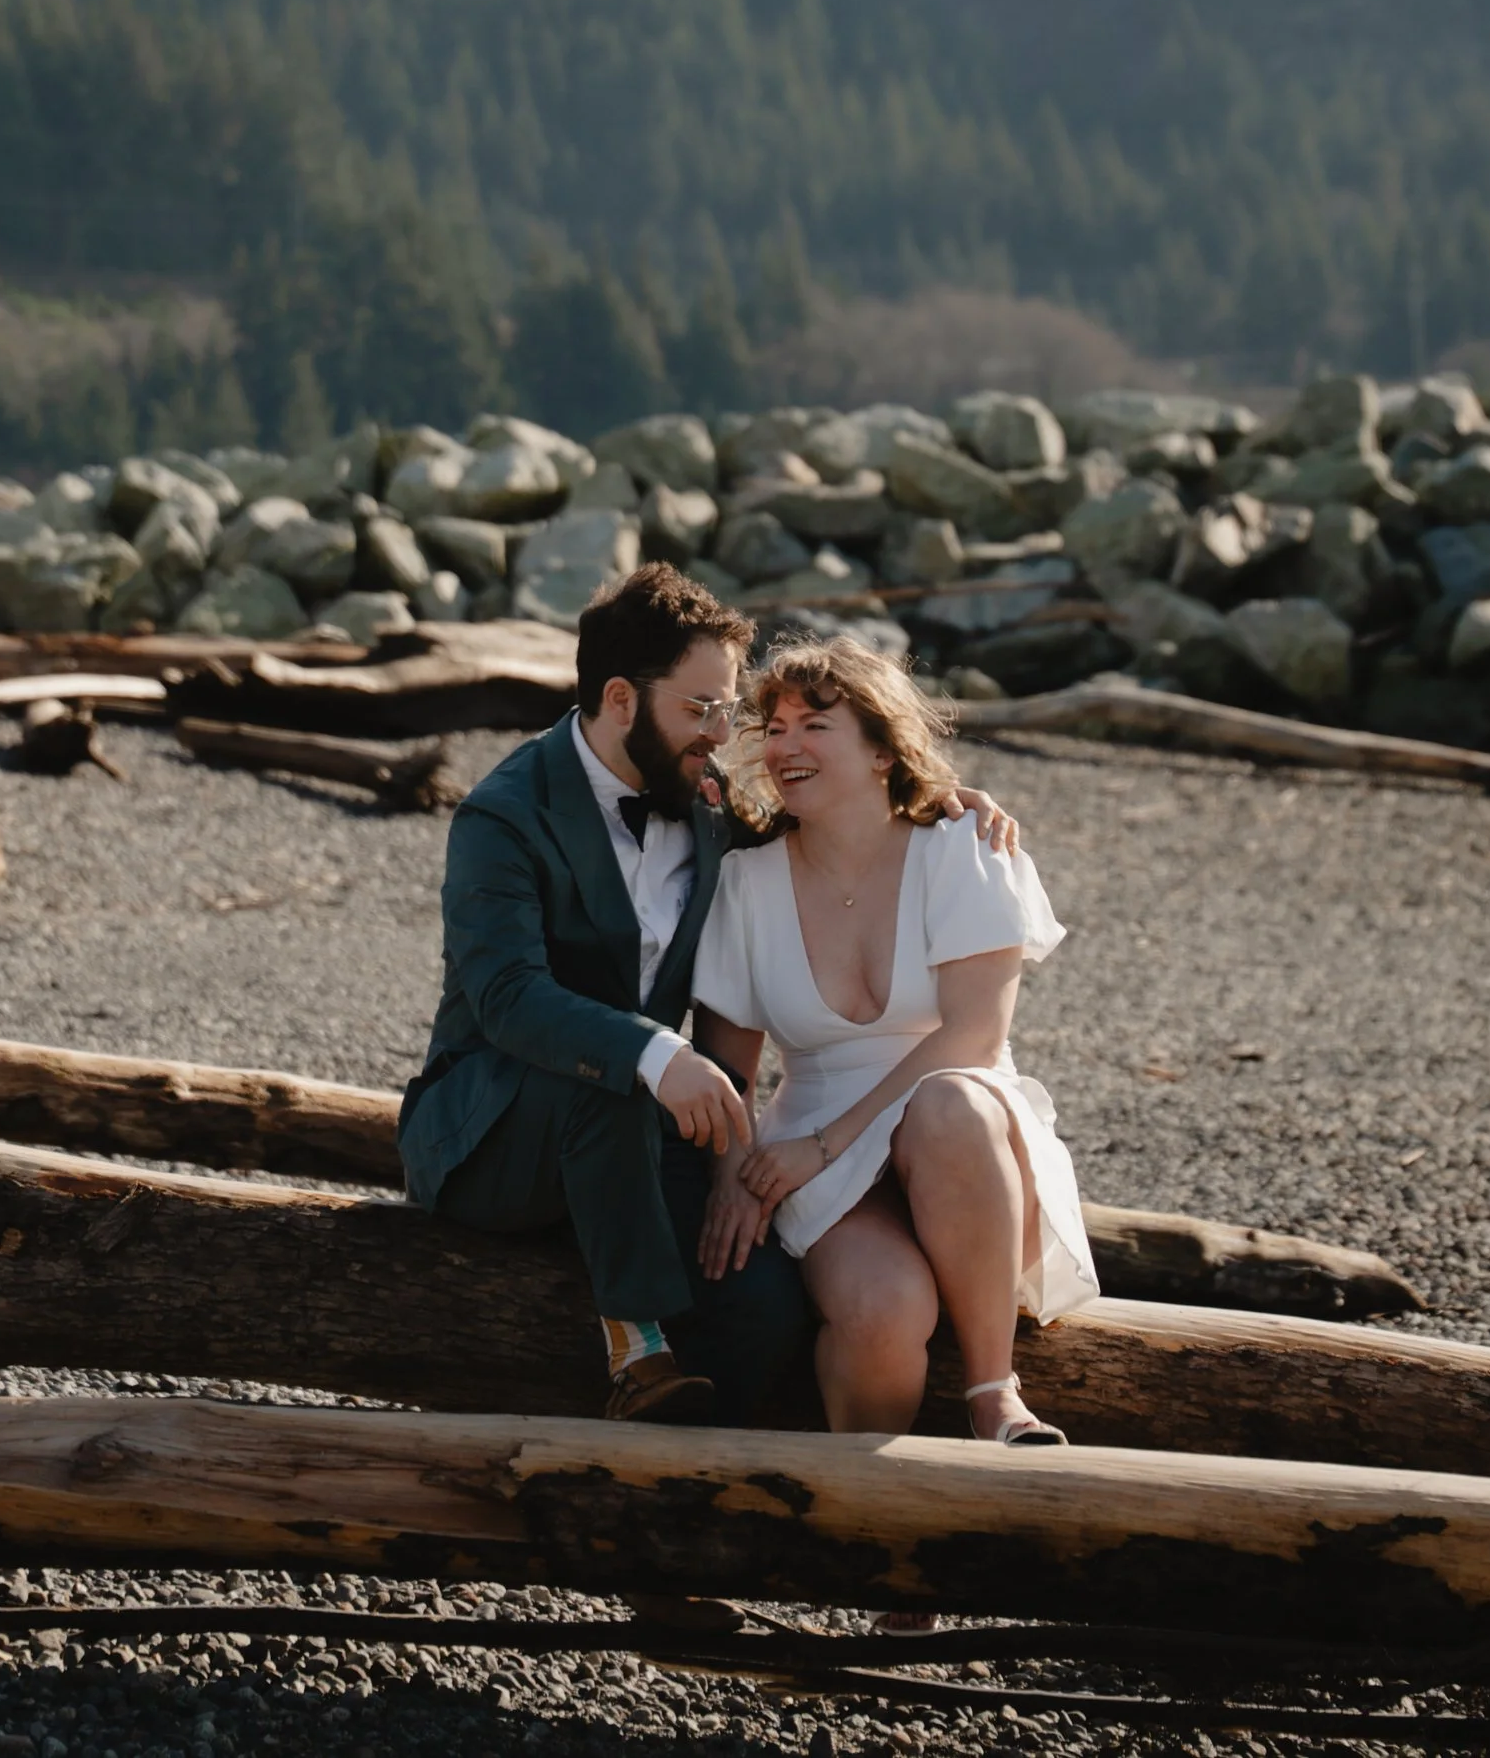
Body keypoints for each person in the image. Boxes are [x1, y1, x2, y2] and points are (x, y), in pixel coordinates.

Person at [400, 563, 1019, 1429]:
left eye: (731, 710)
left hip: (644, 1132)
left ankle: (705, 1497)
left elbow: (826, 818)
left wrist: (929, 797)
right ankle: (636, 1348)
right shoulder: (503, 817)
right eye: (703, 709)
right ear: (621, 698)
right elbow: (508, 997)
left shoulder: (703, 799)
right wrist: (660, 1053)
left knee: (761, 1302)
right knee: (608, 1080)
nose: (725, 732)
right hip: (500, 1131)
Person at [690, 633, 1096, 1446]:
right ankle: (865, 1509)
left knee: (949, 1103)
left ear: (883, 750)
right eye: (774, 726)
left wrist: (825, 1144)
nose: (785, 745)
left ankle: (994, 1392)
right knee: (881, 1314)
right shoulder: (747, 882)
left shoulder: (965, 849)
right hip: (821, 1165)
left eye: (816, 724)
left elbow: (974, 1035)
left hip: (966, 1152)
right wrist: (735, 1178)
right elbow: (728, 1067)